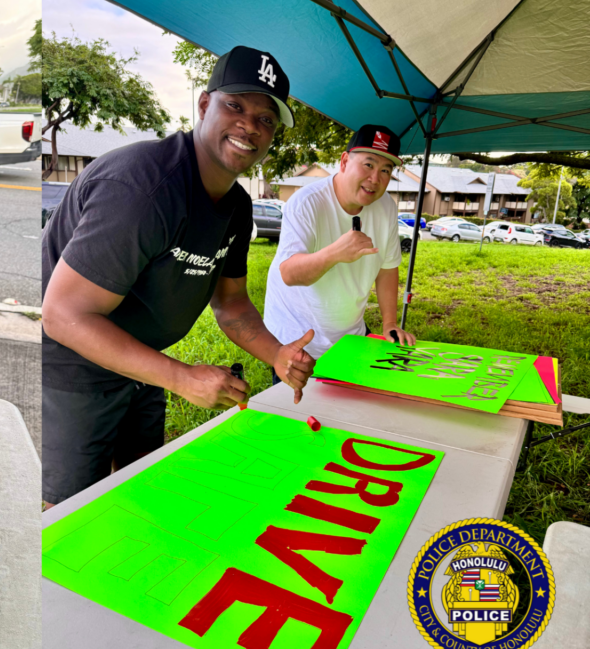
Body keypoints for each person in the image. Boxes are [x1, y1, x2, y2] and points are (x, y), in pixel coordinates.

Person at [41, 46, 316, 507]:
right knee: (71, 509)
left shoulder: (237, 206)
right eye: (235, 106)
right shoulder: (142, 189)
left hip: (144, 357)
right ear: (204, 105)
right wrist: (182, 377)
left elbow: (231, 303)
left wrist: (277, 354)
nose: (250, 126)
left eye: (266, 119)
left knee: (138, 486)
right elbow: (63, 315)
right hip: (74, 361)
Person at [262, 124, 416, 375]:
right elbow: (289, 274)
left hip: (350, 337)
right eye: (368, 164)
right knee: (298, 402)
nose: (375, 178)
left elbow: (387, 268)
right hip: (296, 339)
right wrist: (335, 253)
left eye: (385, 170)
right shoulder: (307, 202)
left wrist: (389, 323)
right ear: (344, 161)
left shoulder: (386, 206)